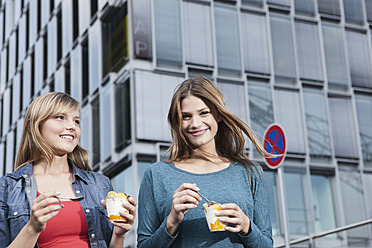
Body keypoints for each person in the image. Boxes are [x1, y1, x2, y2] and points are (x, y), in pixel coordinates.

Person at [137, 76, 276, 247]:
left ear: (218, 114)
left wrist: (247, 227)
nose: (195, 124)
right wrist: (171, 222)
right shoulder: (156, 175)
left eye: (204, 113)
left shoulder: (250, 172)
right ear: (177, 123)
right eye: (186, 117)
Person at [0, 92, 136, 247]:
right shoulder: (7, 188)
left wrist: (119, 235)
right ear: (33, 125)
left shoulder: (100, 184)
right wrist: (32, 228)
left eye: (76, 121)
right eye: (60, 117)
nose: (72, 126)